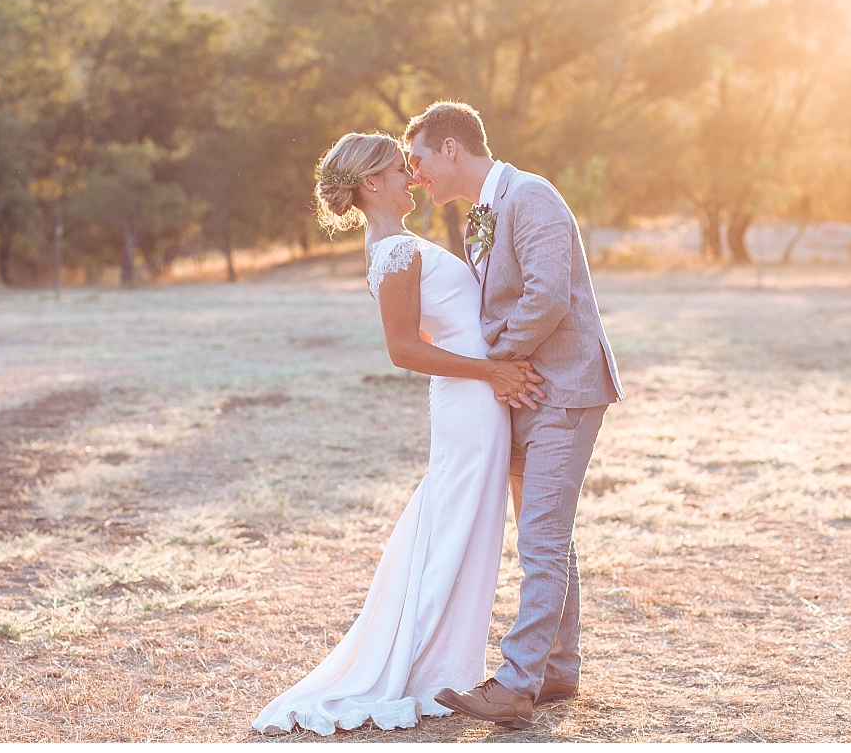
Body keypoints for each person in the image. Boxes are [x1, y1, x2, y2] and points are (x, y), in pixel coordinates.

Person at [252, 132, 545, 736]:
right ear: (371, 183)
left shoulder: (400, 244)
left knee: (461, 520)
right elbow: (404, 350)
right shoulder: (394, 251)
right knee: (457, 521)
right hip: (470, 398)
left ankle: (441, 657)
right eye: (399, 169)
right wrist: (492, 370)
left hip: (476, 394)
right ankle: (419, 664)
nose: (413, 176)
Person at [405, 101, 623, 730]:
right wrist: (496, 374)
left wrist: (494, 361)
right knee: (547, 530)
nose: (415, 174)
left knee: (543, 538)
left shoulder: (533, 198)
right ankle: (557, 668)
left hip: (565, 388)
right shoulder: (481, 214)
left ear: (452, 149)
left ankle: (517, 682)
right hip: (526, 391)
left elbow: (547, 297)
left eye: (418, 159)